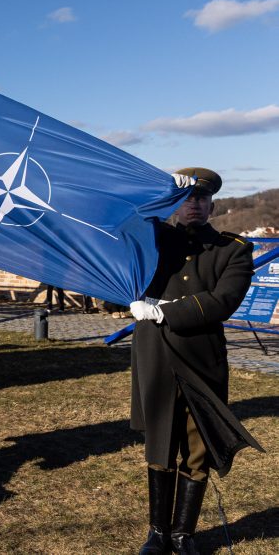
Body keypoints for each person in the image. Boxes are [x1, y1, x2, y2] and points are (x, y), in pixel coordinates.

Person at [129, 168, 263, 554]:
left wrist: (166, 312)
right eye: (187, 198)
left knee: (197, 445)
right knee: (160, 441)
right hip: (155, 352)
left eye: (202, 199)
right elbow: (123, 235)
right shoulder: (153, 239)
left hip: (201, 357)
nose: (195, 205)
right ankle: (157, 533)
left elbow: (223, 301)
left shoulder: (233, 248)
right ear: (174, 203)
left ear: (213, 205)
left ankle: (183, 534)